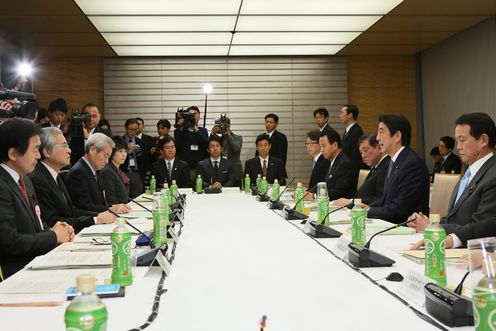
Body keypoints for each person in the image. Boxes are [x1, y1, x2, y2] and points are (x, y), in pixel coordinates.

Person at [409, 113, 496, 249]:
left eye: (462, 140)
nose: (458, 147)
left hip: (475, 256)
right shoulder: (470, 173)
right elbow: (455, 218)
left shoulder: (493, 175)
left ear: (483, 140)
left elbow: (485, 225)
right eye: (457, 141)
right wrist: (430, 223)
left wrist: (441, 231)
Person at [0, 119, 74, 278]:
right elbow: (9, 242)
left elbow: (37, 222)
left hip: (38, 262)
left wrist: (57, 229)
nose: (39, 155)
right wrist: (53, 236)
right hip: (15, 274)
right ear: (13, 154)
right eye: (35, 149)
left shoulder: (25, 179)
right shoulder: (2, 185)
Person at [28, 127, 116, 233]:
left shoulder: (56, 175)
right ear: (47, 151)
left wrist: (99, 215)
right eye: (64, 145)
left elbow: (71, 211)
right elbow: (53, 220)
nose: (69, 150)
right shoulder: (37, 179)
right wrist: (95, 219)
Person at [366, 114, 430, 224]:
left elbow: (399, 209)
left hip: (407, 229)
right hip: (391, 224)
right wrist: (364, 207)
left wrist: (368, 211)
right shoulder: (394, 161)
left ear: (397, 136)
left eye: (381, 132)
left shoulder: (412, 164)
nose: (377, 138)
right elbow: (386, 200)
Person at [66, 133, 131, 214]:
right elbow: (84, 206)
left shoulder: (91, 169)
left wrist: (112, 207)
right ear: (92, 150)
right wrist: (110, 209)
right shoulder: (79, 172)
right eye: (105, 156)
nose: (107, 161)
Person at [332, 133, 390, 206]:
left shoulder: (386, 167)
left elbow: (381, 198)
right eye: (361, 152)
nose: (363, 156)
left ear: (379, 148)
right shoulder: (376, 168)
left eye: (365, 150)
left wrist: (353, 202)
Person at [308, 129, 357, 200]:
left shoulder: (345, 164)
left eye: (324, 146)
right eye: (320, 146)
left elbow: (339, 191)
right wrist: (308, 193)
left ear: (335, 145)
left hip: (342, 207)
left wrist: (314, 196)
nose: (321, 150)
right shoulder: (332, 161)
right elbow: (325, 184)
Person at [174, 106, 209, 184]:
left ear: (199, 115)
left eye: (195, 114)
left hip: (199, 167)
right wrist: (181, 128)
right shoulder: (179, 131)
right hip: (184, 167)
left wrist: (196, 130)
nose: (193, 116)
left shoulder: (203, 131)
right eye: (190, 114)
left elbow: (206, 145)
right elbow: (177, 147)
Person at [211, 114, 243, 186]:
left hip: (235, 173)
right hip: (221, 174)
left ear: (229, 125)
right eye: (221, 125)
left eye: (225, 125)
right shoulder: (218, 139)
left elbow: (236, 149)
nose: (223, 127)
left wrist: (228, 135)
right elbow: (210, 148)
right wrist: (213, 133)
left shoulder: (238, 138)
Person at [98, 136, 131, 205]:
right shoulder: (107, 171)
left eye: (125, 151)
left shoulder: (118, 170)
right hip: (116, 212)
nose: (124, 155)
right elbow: (109, 199)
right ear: (111, 152)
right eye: (120, 151)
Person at [256, 113, 288, 178]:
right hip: (262, 171)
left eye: (271, 122)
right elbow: (257, 154)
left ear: (276, 124)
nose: (268, 124)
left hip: (276, 171)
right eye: (267, 122)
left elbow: (282, 156)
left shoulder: (281, 137)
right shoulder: (260, 137)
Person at [122, 118, 147, 198]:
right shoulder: (120, 141)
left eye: (135, 129)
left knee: (137, 198)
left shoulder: (141, 142)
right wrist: (128, 151)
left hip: (137, 173)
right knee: (124, 197)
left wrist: (139, 153)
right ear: (125, 127)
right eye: (130, 129)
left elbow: (146, 160)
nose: (133, 132)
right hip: (124, 172)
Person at [339, 104, 364, 169]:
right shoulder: (348, 130)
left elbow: (356, 157)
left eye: (342, 113)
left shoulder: (356, 131)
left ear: (350, 115)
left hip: (350, 171)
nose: (340, 116)